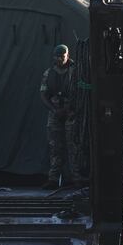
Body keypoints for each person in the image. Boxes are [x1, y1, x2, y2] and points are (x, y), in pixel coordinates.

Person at [39, 44, 84, 190]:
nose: (60, 59)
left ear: (67, 55)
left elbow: (81, 92)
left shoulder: (76, 72)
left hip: (71, 112)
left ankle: (77, 178)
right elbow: (43, 94)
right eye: (57, 57)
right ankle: (53, 178)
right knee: (55, 146)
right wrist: (54, 110)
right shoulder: (49, 73)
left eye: (62, 56)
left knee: (74, 146)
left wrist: (70, 108)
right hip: (55, 112)